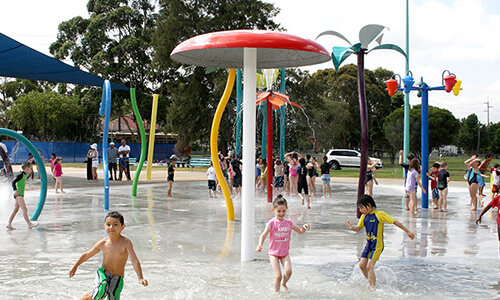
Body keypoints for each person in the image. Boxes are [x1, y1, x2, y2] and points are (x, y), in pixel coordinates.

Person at [69, 211, 148, 299]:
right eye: (108, 224)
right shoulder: (103, 243)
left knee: (113, 298)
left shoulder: (126, 243)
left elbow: (134, 260)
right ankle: (90, 295)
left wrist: (140, 277)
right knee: (101, 291)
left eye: (115, 224)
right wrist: (75, 266)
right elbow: (87, 254)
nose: (111, 227)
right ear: (104, 226)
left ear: (123, 226)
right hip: (103, 273)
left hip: (118, 277)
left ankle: (90, 295)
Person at [346, 194, 414, 288]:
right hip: (369, 244)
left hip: (377, 245)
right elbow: (358, 228)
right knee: (362, 265)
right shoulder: (364, 216)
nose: (360, 210)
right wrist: (351, 227)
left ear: (369, 205)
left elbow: (394, 221)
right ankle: (372, 280)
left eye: (361, 207)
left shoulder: (379, 214)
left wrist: (408, 231)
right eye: (359, 208)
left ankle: (371, 287)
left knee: (369, 266)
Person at [255, 195, 310, 292]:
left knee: (288, 272)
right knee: (278, 275)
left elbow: (300, 231)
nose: (281, 213)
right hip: (273, 253)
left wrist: (304, 227)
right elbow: (263, 235)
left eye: (283, 211)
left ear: (287, 209)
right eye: (279, 211)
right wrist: (260, 245)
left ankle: (284, 283)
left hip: (284, 253)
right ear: (273, 210)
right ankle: (277, 294)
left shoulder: (289, 223)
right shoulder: (271, 223)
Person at [6, 161, 38, 230]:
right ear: (26, 168)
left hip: (20, 195)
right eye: (31, 169)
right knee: (24, 209)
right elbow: (13, 182)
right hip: (18, 195)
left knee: (16, 210)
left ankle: (9, 224)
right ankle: (29, 224)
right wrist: (15, 190)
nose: (31, 170)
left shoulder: (23, 175)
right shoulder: (21, 175)